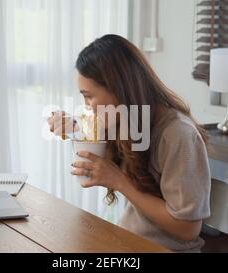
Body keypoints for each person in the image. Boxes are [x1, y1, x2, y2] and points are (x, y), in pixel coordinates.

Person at [48, 34, 211, 252]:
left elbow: (187, 228)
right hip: (128, 241)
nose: (87, 106)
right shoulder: (128, 120)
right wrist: (73, 127)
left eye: (89, 96)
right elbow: (92, 151)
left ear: (118, 88)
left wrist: (120, 181)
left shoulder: (177, 135)